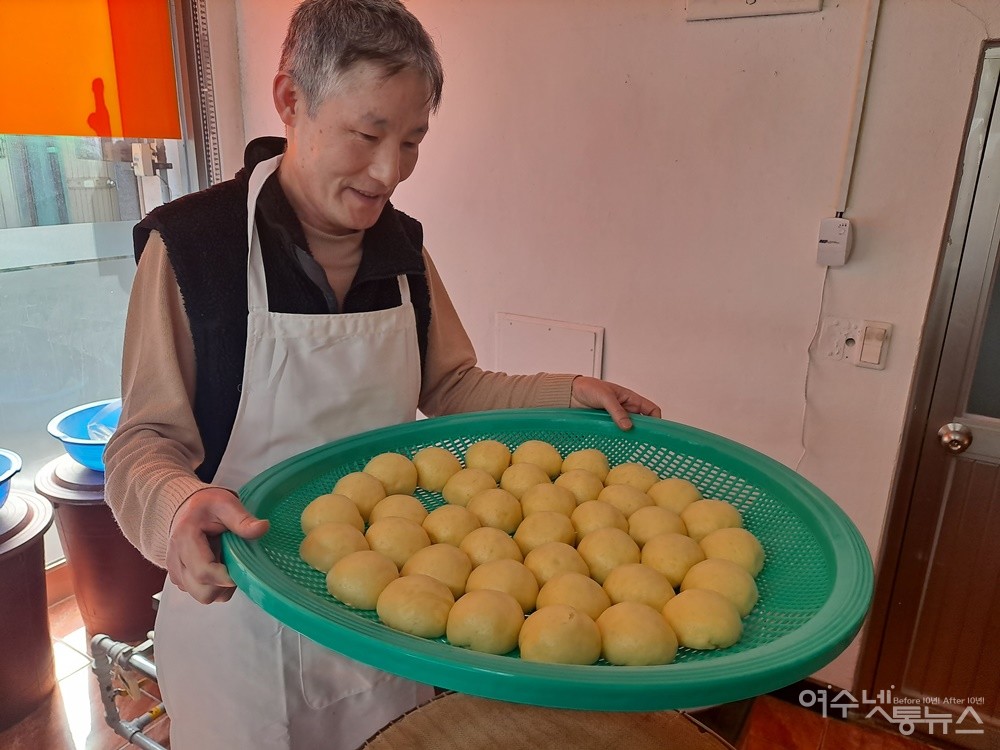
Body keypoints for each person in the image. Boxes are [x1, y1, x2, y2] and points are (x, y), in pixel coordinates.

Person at [104, 1, 661, 747]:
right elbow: (143, 441)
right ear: (291, 100)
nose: (391, 171)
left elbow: (452, 388)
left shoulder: (400, 251)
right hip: (241, 623)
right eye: (369, 135)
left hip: (391, 619)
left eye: (413, 141)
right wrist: (176, 506)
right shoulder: (192, 250)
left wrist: (569, 392)